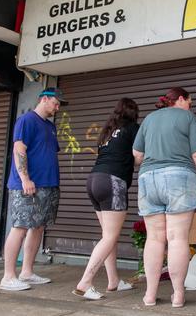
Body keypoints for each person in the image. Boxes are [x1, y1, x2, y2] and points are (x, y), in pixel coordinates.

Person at [132, 87, 196, 308]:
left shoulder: (149, 119)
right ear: (181, 99)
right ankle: (177, 295)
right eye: (189, 101)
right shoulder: (187, 117)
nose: (190, 106)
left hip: (148, 178)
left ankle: (149, 295)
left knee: (154, 238)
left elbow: (137, 154)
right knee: (177, 238)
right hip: (179, 176)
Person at [0, 87, 67, 291]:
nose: (57, 107)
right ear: (44, 99)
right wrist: (25, 179)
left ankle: (27, 272)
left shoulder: (49, 126)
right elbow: (19, 149)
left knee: (38, 227)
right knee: (20, 226)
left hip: (47, 185)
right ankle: (8, 276)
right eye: (55, 103)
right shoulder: (26, 120)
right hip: (29, 185)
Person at [72, 98, 140, 300]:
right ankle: (85, 283)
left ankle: (113, 281)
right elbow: (138, 157)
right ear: (133, 113)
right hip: (113, 182)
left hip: (94, 180)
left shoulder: (108, 130)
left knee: (108, 235)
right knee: (109, 236)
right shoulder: (133, 128)